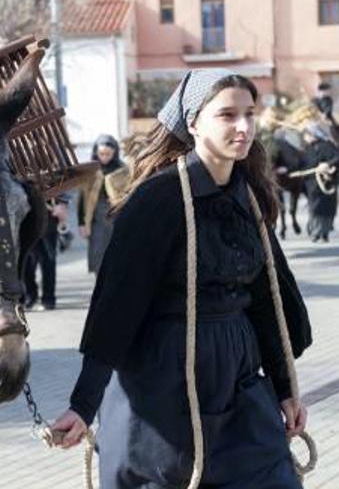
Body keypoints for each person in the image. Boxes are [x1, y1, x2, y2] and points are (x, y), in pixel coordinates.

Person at [51, 69, 312, 488]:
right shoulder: (157, 200)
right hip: (166, 379)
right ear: (193, 123)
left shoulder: (248, 195)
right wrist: (83, 405)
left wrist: (284, 387)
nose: (243, 127)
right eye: (227, 115)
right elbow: (115, 310)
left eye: (249, 114)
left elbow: (268, 301)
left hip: (240, 380)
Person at [78, 134, 129, 274]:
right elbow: (83, 198)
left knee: (117, 257)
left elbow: (130, 194)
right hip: (95, 219)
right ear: (96, 152)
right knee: (98, 257)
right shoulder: (90, 171)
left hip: (117, 216)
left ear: (115, 152)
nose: (105, 157)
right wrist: (81, 223)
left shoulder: (123, 170)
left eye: (108, 154)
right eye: (101, 154)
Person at [23, 195, 69, 311]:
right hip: (26, 216)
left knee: (48, 260)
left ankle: (48, 299)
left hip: (47, 217)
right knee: (26, 261)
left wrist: (62, 203)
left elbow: (61, 182)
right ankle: (30, 295)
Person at [302, 124, 339, 242]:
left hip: (326, 182)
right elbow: (301, 163)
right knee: (314, 208)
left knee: (327, 208)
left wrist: (327, 165)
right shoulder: (307, 148)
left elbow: (338, 157)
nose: (306, 138)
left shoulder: (327, 145)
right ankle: (315, 231)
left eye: (308, 135)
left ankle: (324, 232)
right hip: (311, 182)